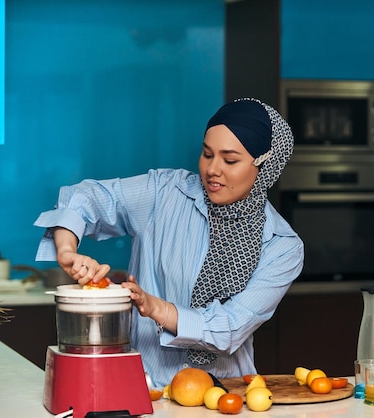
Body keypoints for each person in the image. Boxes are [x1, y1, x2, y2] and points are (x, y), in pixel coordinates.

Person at [34, 98, 304, 387]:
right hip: (144, 387)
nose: (213, 169)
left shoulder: (282, 247)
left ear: (266, 166)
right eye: (207, 154)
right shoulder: (164, 193)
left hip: (226, 395)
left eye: (230, 160)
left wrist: (154, 307)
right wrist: (67, 250)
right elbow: (88, 197)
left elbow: (230, 327)